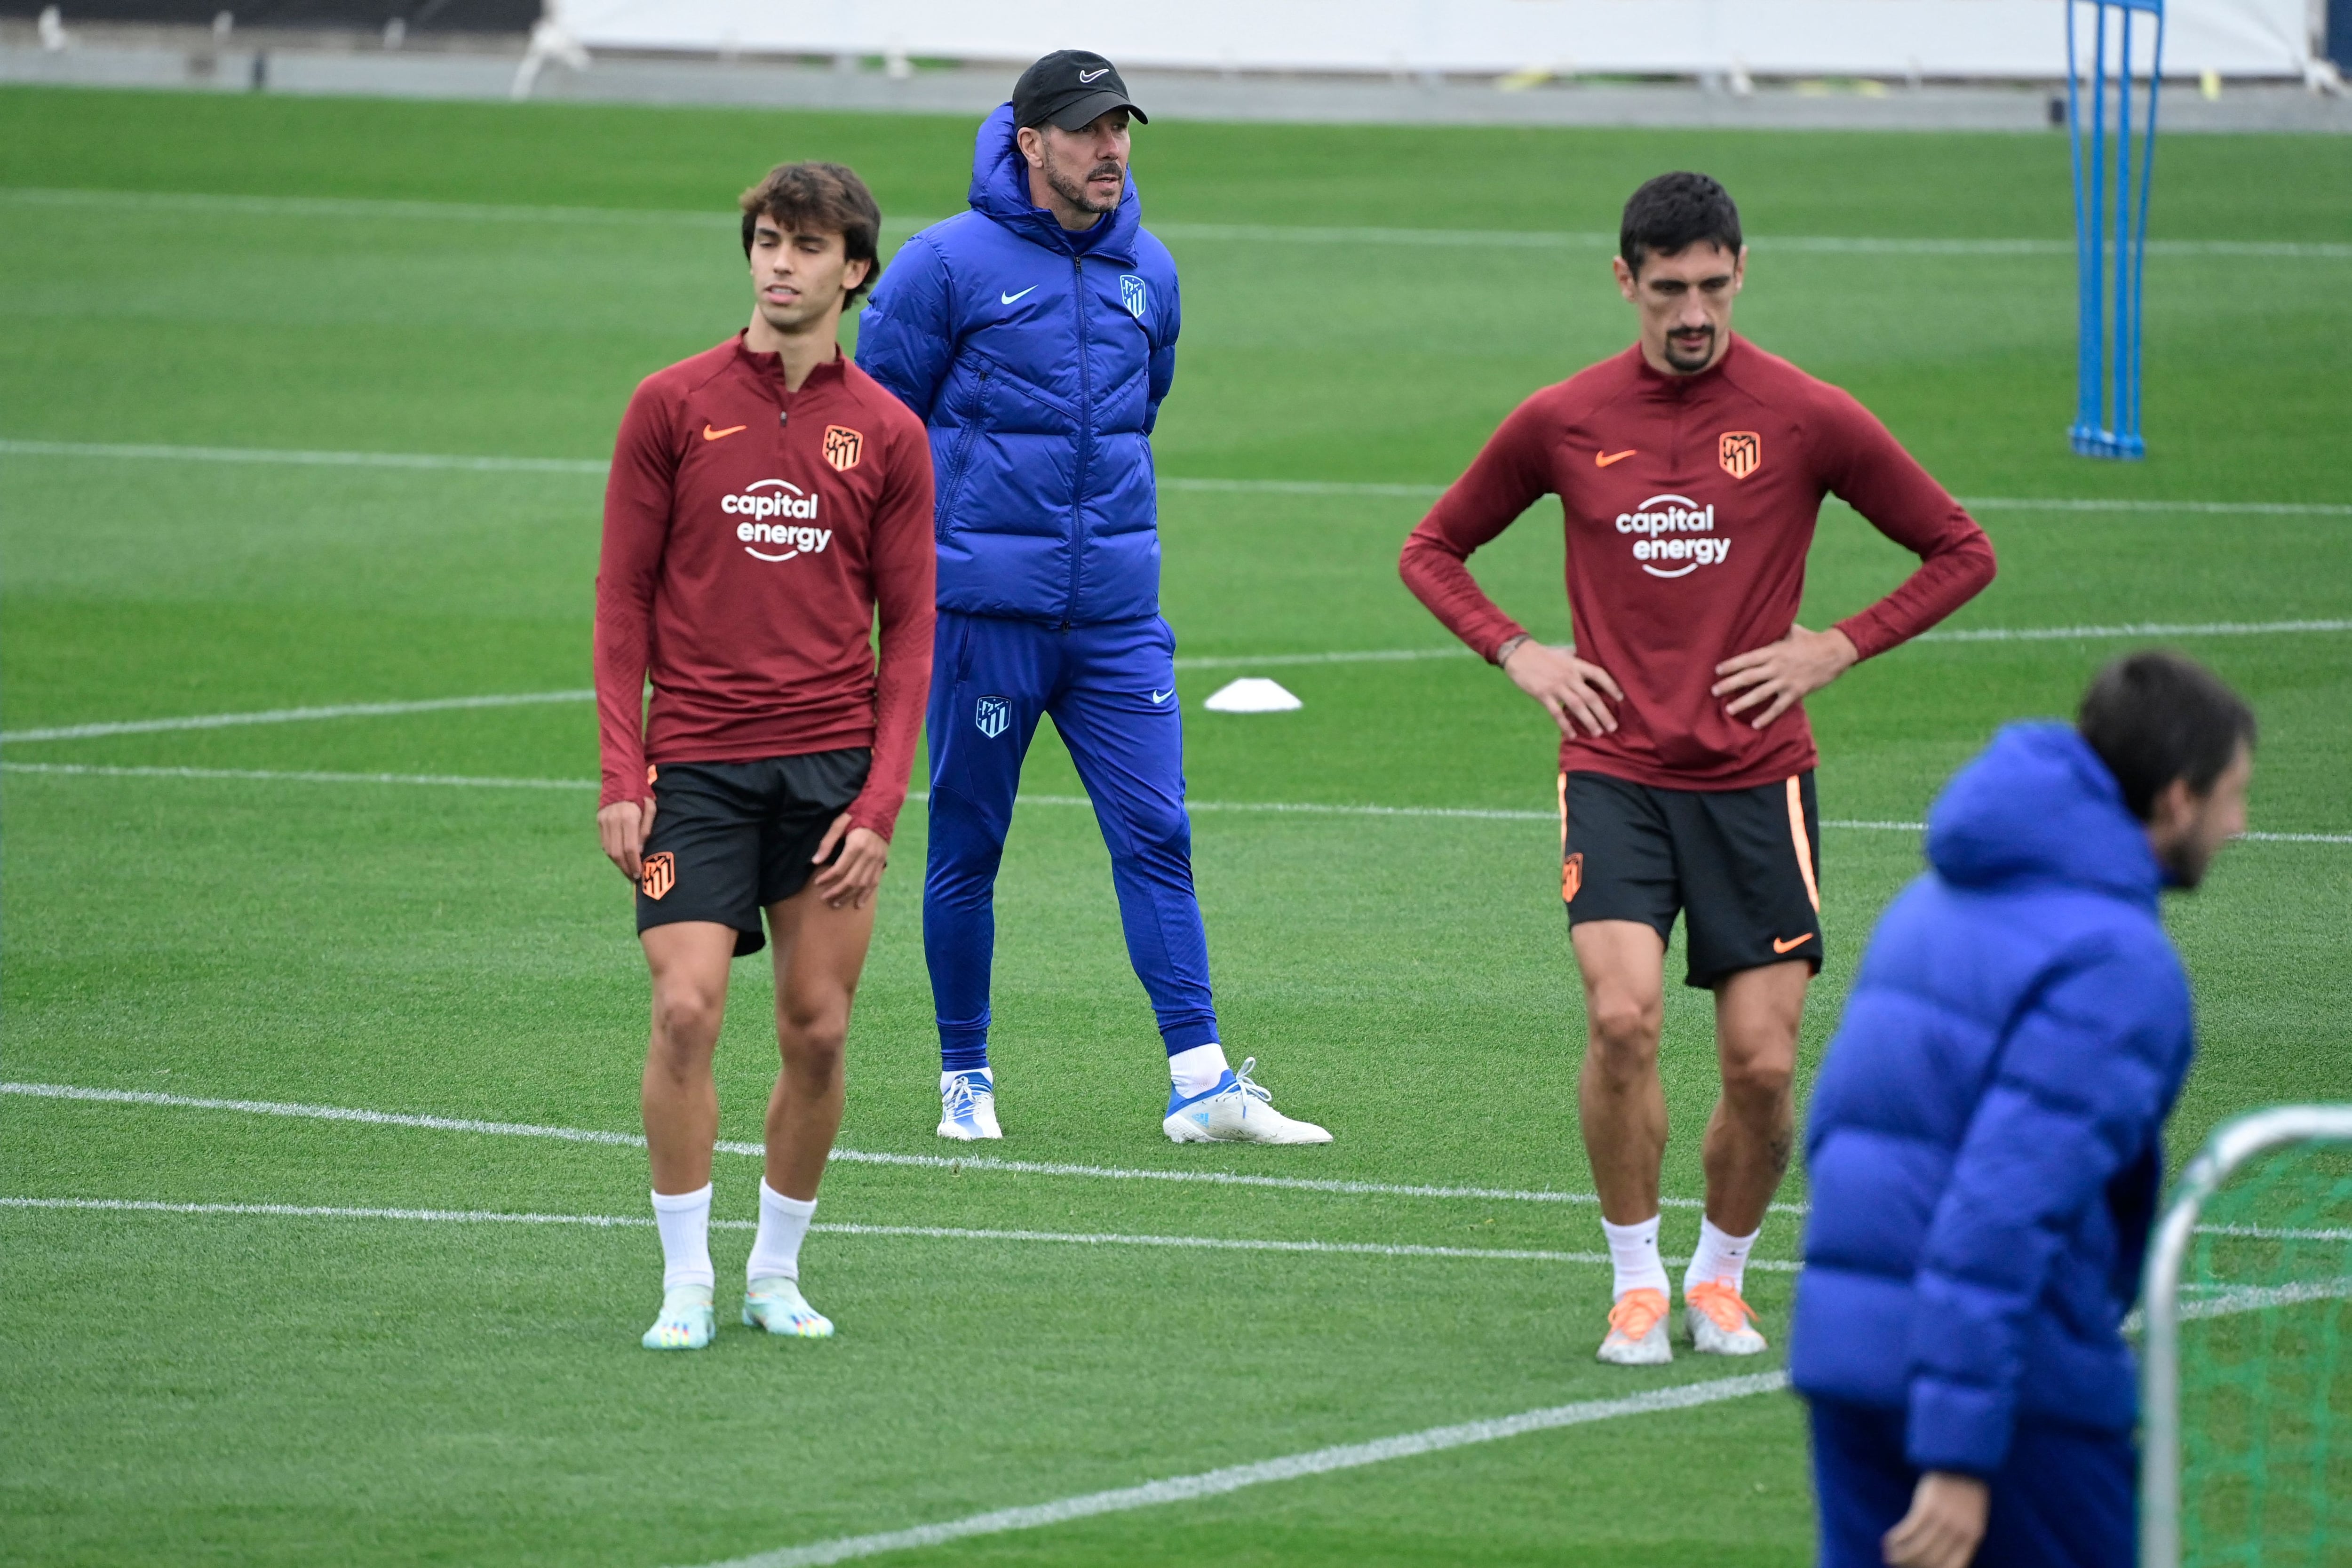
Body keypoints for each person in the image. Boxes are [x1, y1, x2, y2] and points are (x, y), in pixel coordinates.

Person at [1399, 171, 1996, 1365]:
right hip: (1614, 769)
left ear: (1740, 273)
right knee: (1620, 1018)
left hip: (1756, 783)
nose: (1691, 312)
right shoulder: (1563, 419)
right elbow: (1433, 548)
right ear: (1625, 282)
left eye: (1712, 286)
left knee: (1763, 1066)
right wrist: (1517, 651)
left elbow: (1958, 548)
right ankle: (1634, 1282)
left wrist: (1836, 644)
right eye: (1667, 288)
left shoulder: (1803, 414)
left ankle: (1719, 1275)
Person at [855, 49, 1328, 1147]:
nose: (1111, 147)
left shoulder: (1149, 270)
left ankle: (1202, 1080)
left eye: (1121, 128)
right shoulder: (940, 266)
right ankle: (963, 1080)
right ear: (1030, 142)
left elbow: (1137, 412)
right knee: (970, 844)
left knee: (1157, 832)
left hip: (1115, 619)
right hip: (982, 620)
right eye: (1086, 129)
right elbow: (874, 434)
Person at [1790, 651, 2256, 1568]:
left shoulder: (1935, 899)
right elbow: (2003, 1207)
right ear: (2173, 799)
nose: (2239, 825)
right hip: (2008, 1397)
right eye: (2231, 796)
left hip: (1852, 1365)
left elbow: (1840, 1131)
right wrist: (1960, 1451)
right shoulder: (2116, 963)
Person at [594, 161, 935, 1350]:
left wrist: (883, 801)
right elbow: (620, 600)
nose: (779, 263)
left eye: (807, 246)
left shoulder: (888, 433)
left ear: (855, 272)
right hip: (696, 771)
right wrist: (619, 772)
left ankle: (773, 1271)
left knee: (820, 1028)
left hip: (832, 777)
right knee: (686, 1008)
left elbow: (913, 635)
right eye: (766, 241)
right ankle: (685, 1279)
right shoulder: (671, 406)